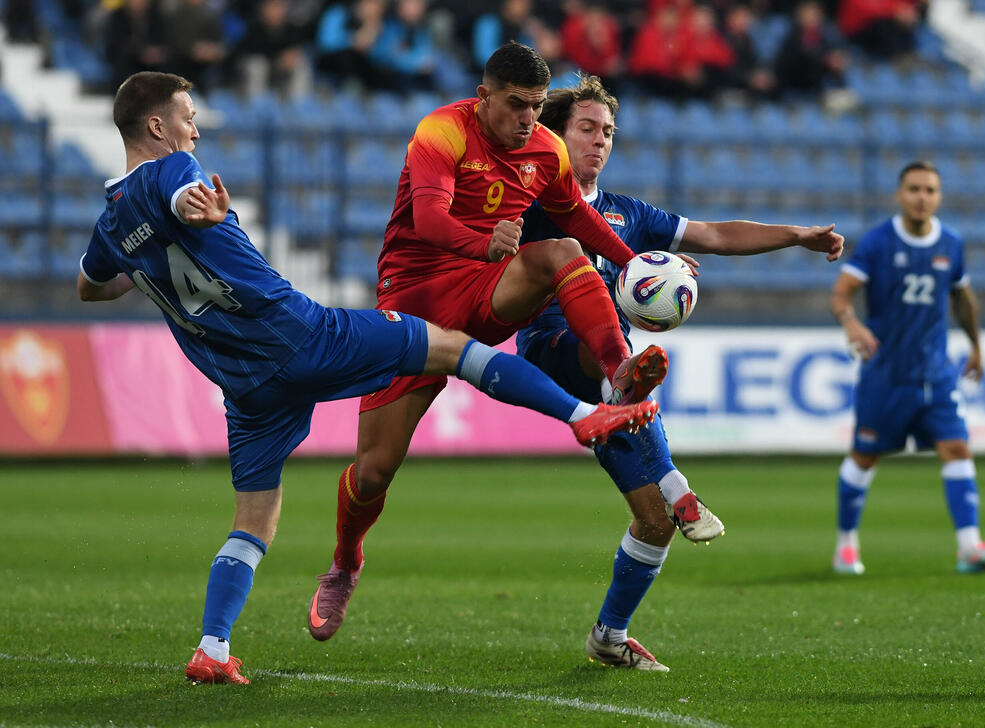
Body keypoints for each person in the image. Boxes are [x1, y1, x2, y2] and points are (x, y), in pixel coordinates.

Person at [75, 71, 660, 684]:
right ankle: (582, 414)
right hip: (303, 336)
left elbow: (90, 286)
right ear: (157, 126)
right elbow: (180, 196)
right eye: (188, 117)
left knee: (254, 519)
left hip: (244, 386)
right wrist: (197, 214)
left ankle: (213, 648)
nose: (195, 129)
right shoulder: (173, 171)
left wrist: (145, 259)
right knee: (451, 350)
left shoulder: (111, 224)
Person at [312, 42, 671, 643]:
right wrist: (484, 243)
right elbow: (428, 222)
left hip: (486, 287)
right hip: (416, 297)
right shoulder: (440, 132)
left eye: (535, 106)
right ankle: (346, 560)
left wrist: (635, 267)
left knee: (562, 251)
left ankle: (617, 368)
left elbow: (579, 219)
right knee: (373, 472)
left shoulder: (544, 148)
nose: (528, 119)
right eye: (515, 105)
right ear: (484, 98)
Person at [515, 74, 845, 669]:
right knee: (616, 354)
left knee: (655, 521)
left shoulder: (626, 214)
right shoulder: (532, 202)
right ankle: (676, 478)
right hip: (552, 347)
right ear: (556, 136)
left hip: (615, 380)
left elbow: (715, 234)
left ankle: (609, 636)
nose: (599, 140)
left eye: (608, 131)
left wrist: (797, 235)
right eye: (586, 127)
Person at [830, 160, 985, 576]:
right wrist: (851, 323)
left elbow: (962, 298)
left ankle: (969, 547)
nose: (922, 197)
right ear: (899, 194)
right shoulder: (877, 242)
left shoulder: (952, 243)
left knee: (957, 448)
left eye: (929, 190)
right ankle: (846, 546)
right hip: (886, 374)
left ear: (938, 196)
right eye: (914, 189)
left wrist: (976, 345)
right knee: (865, 456)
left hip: (936, 373)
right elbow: (841, 294)